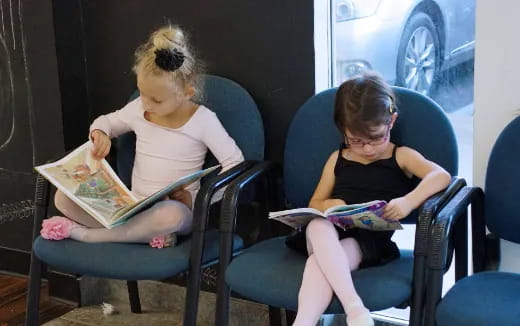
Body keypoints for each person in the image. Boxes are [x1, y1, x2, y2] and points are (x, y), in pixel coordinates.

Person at [40, 25, 244, 248]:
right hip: (133, 205)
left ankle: (89, 235)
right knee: (63, 197)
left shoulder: (203, 120)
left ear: (187, 92)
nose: (146, 103)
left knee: (169, 216)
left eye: (156, 100)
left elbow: (235, 163)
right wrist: (100, 133)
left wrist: (198, 200)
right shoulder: (139, 109)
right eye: (142, 93)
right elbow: (106, 121)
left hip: (178, 211)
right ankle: (143, 234)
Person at [292, 72, 451, 326]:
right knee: (318, 224)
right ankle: (355, 307)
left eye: (376, 138)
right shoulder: (338, 159)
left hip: (366, 243)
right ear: (342, 131)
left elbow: (441, 176)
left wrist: (408, 201)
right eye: (356, 141)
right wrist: (328, 205)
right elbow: (315, 204)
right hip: (328, 233)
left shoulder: (401, 157)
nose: (367, 148)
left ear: (391, 122)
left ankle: (306, 322)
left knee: (318, 264)